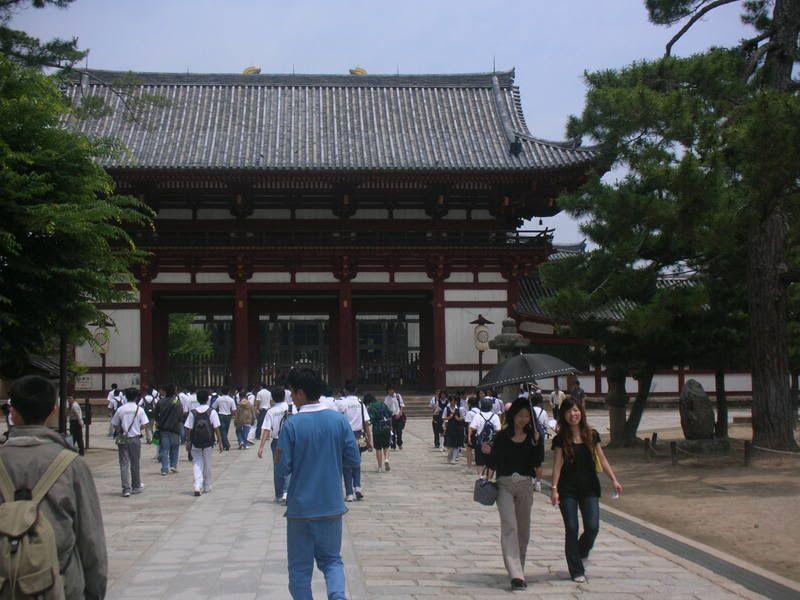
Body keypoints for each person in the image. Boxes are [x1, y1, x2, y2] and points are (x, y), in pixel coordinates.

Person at [0, 376, 107, 599]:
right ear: (53, 411)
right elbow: (91, 540)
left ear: (12, 413)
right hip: (60, 584)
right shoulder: (72, 465)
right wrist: (95, 592)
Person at [274, 368, 360, 600]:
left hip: (301, 509)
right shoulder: (339, 421)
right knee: (332, 561)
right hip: (331, 505)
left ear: (301, 393)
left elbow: (282, 468)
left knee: (300, 570)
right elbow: (353, 459)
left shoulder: (291, 425)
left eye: (292, 392)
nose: (291, 396)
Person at [551, 399, 622, 583]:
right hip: (567, 489)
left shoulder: (592, 435)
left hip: (589, 487)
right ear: (563, 416)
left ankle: (580, 554)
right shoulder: (560, 439)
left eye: (575, 410)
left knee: (592, 527)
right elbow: (557, 464)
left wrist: (613, 479)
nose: (572, 414)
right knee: (572, 528)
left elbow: (602, 459)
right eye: (568, 411)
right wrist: (554, 488)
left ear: (581, 412)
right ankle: (576, 570)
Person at [482, 397, 541, 591]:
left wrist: (537, 443)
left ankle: (519, 568)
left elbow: (537, 462)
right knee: (510, 526)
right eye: (519, 415)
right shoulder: (501, 436)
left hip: (525, 484)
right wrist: (485, 456)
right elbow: (493, 459)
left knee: (523, 529)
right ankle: (515, 575)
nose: (523, 419)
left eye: (526, 415)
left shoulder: (533, 436)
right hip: (505, 484)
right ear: (512, 415)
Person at [258, 387, 295, 503]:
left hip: (277, 442)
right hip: (290, 441)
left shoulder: (271, 411)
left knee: (278, 465)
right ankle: (287, 492)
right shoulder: (292, 408)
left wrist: (261, 447)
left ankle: (279, 493)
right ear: (284, 396)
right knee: (290, 465)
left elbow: (266, 430)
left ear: (272, 398)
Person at [110, 387, 149, 497]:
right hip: (135, 438)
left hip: (123, 438)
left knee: (124, 463)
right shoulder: (139, 409)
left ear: (126, 396)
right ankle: (136, 485)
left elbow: (115, 424)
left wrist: (121, 431)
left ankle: (126, 488)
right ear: (136, 397)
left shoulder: (121, 409)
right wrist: (137, 428)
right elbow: (145, 424)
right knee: (135, 462)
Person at [336, 381, 372, 497]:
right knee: (357, 462)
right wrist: (370, 439)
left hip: (346, 435)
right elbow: (366, 423)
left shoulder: (341, 403)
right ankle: (357, 487)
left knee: (346, 464)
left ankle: (349, 493)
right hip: (359, 435)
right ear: (355, 390)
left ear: (345, 390)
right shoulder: (360, 403)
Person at [185, 389, 223, 496]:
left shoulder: (193, 412)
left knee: (197, 463)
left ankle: (197, 486)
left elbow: (189, 429)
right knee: (207, 463)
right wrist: (220, 442)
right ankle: (207, 485)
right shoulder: (212, 412)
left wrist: (188, 442)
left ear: (197, 399)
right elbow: (216, 428)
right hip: (208, 442)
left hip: (195, 442)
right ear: (207, 399)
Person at [154, 383, 183, 476]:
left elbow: (155, 414)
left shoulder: (160, 402)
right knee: (175, 447)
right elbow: (181, 415)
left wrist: (159, 421)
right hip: (175, 428)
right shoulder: (177, 402)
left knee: (164, 449)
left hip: (163, 428)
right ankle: (173, 465)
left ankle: (164, 469)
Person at [469, 397, 502, 477]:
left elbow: (472, 428)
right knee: (491, 462)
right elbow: (498, 430)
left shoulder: (478, 415)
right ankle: (489, 479)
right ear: (491, 406)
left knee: (480, 462)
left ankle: (480, 477)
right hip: (492, 443)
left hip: (480, 442)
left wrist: (469, 438)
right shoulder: (495, 416)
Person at [365, 393, 392, 474]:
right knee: (386, 446)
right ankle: (386, 459)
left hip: (377, 429)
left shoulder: (371, 407)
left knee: (378, 448)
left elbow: (371, 420)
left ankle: (380, 467)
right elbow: (390, 413)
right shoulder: (382, 404)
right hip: (386, 428)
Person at [530, 393, 549, 492]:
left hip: (529, 439)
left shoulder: (529, 411)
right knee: (538, 462)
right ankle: (538, 483)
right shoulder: (543, 412)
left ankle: (532, 479)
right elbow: (546, 425)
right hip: (540, 439)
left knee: (529, 460)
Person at [212, 386, 236, 451]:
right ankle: (226, 444)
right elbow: (234, 409)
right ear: (228, 392)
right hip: (228, 416)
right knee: (225, 430)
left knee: (222, 431)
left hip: (221, 415)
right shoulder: (231, 399)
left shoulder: (219, 399)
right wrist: (234, 416)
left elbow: (213, 407)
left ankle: (225, 444)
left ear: (221, 392)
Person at [442, 395, 464, 464]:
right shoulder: (447, 408)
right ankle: (450, 455)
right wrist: (449, 417)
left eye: (454, 401)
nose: (453, 402)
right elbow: (443, 418)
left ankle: (454, 458)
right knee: (450, 444)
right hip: (450, 428)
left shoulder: (459, 409)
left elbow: (463, 417)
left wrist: (458, 418)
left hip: (458, 428)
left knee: (456, 444)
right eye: (451, 401)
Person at [384, 383, 406, 450]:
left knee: (399, 431)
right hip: (391, 417)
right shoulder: (387, 398)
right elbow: (385, 408)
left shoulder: (398, 396)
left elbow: (402, 405)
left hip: (399, 416)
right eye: (389, 390)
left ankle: (399, 443)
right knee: (392, 431)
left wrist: (400, 413)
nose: (390, 391)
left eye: (391, 390)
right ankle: (393, 445)